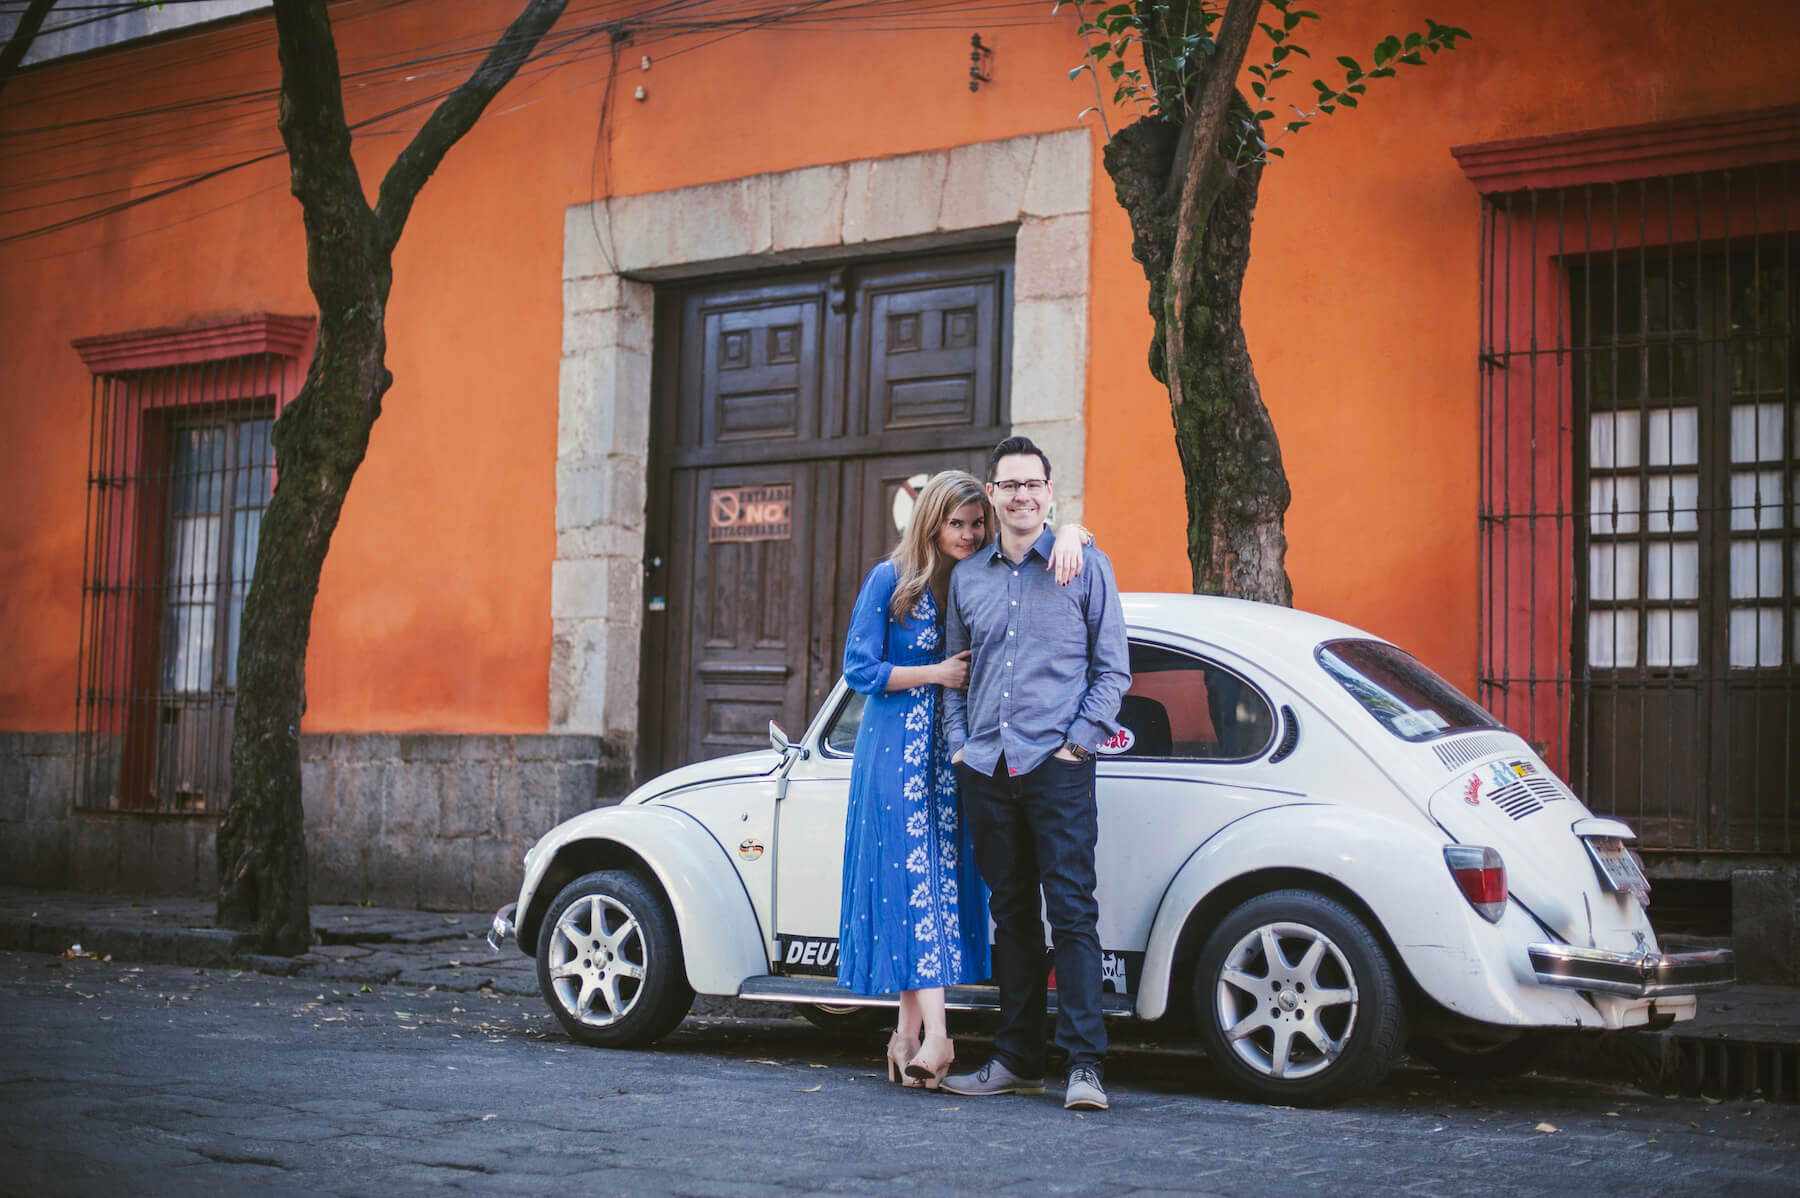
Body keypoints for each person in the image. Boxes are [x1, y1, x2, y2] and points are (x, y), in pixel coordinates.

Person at [837, 469, 1090, 1091]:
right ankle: (941, 1040)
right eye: (958, 523)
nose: (970, 533)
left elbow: (1041, 545)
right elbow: (858, 667)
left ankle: (905, 1035)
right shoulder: (890, 579)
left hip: (957, 755)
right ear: (931, 522)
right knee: (911, 878)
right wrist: (935, 673)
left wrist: (1077, 529)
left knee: (938, 885)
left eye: (977, 523)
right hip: (896, 749)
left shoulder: (977, 580)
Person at [941, 436, 1130, 1112]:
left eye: (1033, 484)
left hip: (1059, 768)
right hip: (988, 769)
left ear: (1050, 493)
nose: (1021, 495)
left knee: (1073, 912)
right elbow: (956, 677)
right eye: (1009, 484)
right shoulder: (968, 579)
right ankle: (1016, 1060)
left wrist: (1078, 744)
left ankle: (1085, 1067)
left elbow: (1114, 671)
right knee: (1012, 916)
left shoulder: (1087, 566)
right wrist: (961, 746)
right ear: (992, 494)